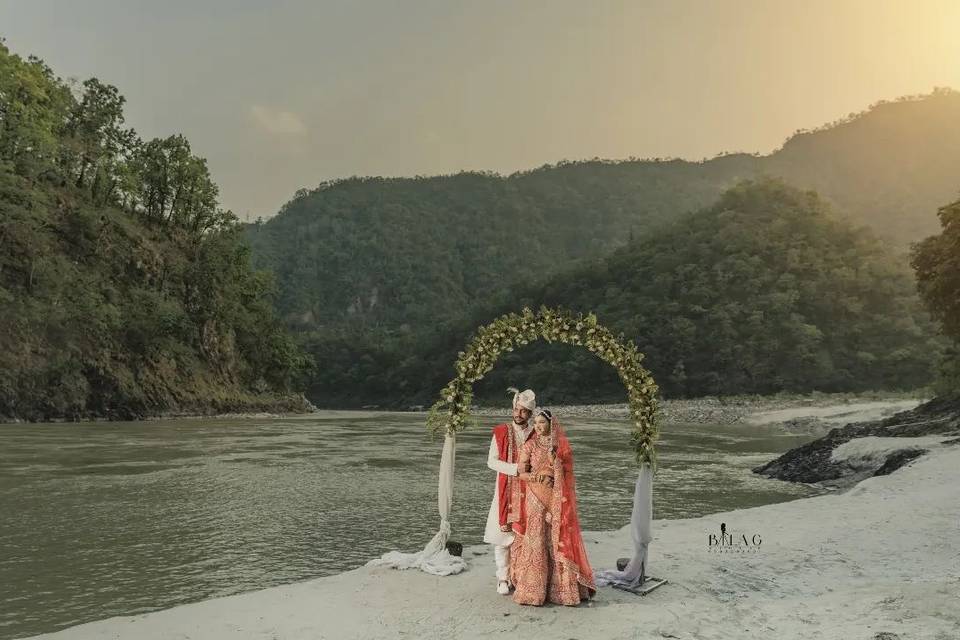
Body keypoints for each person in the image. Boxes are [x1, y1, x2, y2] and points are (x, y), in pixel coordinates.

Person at [510, 408, 596, 606]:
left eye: (542, 422)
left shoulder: (559, 446)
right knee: (537, 539)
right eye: (536, 423)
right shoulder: (529, 445)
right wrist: (538, 476)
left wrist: (555, 464)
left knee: (557, 540)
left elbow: (568, 475)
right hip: (534, 498)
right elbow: (520, 473)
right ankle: (533, 591)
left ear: (551, 424)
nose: (538, 426)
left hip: (556, 499)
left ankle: (562, 591)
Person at [483, 387, 536, 595]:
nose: (518, 414)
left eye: (523, 411)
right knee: (502, 536)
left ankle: (522, 575)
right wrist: (515, 469)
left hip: (530, 491)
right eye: (516, 409)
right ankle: (502, 578)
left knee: (526, 536)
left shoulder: (535, 432)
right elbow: (491, 462)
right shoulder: (501, 431)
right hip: (505, 489)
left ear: (530, 414)